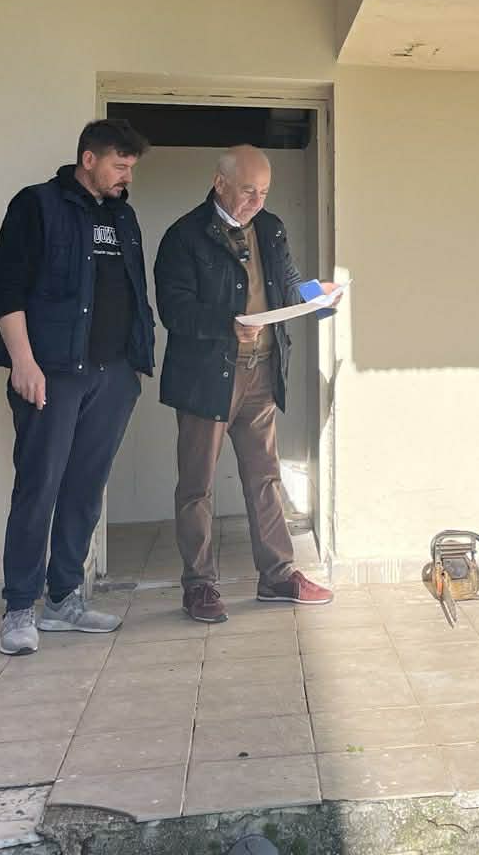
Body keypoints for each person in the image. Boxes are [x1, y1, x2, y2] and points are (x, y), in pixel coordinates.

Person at [0, 120, 155, 655]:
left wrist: (134, 368)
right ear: (88, 159)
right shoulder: (36, 205)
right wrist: (23, 362)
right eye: (120, 166)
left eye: (131, 168)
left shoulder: (123, 216)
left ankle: (63, 600)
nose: (127, 177)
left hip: (114, 375)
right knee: (39, 486)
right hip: (52, 373)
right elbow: (4, 288)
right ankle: (19, 609)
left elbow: (132, 291)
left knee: (84, 489)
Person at [155, 144, 337, 621]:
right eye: (248, 191)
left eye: (264, 193)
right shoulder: (184, 236)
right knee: (197, 486)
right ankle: (199, 585)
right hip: (206, 378)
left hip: (262, 370)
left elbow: (289, 284)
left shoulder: (271, 228)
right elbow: (174, 310)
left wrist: (319, 295)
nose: (257, 201)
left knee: (265, 478)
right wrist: (227, 324)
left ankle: (277, 576)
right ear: (220, 183)